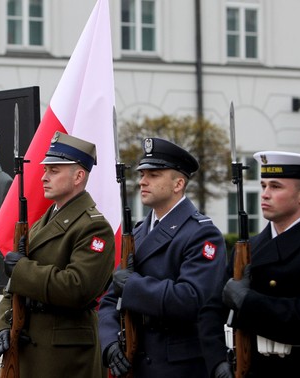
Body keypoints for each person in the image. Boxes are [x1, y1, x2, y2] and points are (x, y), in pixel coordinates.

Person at [197, 151, 300, 378]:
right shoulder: (248, 248)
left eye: (276, 187)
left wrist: (248, 301)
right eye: (263, 186)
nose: (265, 195)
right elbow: (210, 312)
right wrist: (218, 363)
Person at [97, 137, 227, 377]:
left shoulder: (201, 233)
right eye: (142, 174)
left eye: (154, 175)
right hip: (133, 360)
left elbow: (192, 299)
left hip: (176, 366)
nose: (143, 181)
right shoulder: (137, 232)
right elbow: (108, 300)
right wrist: (110, 343)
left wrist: (133, 286)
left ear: (178, 184)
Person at [0, 131, 116, 378]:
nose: (44, 177)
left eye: (54, 170)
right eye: (45, 169)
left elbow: (77, 287)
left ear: (79, 176)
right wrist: (4, 325)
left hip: (66, 357)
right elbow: (13, 287)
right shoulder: (44, 221)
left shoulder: (94, 227)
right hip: (30, 347)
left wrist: (22, 270)